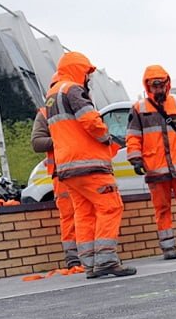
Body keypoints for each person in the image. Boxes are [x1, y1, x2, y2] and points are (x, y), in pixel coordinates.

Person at [40, 52, 135, 278]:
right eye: (87, 74)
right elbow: (90, 121)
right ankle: (106, 261)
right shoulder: (72, 89)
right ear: (79, 70)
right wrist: (106, 137)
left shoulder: (52, 96)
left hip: (66, 168)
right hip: (88, 163)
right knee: (110, 206)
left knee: (84, 213)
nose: (88, 79)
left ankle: (90, 264)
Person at [126, 66, 176, 259]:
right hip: (156, 169)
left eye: (161, 84)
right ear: (148, 86)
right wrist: (135, 159)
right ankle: (168, 249)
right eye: (154, 85)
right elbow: (133, 136)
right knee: (162, 210)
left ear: (167, 84)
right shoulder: (139, 109)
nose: (158, 88)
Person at [30, 79, 82, 272]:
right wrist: (62, 138)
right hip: (62, 174)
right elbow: (37, 142)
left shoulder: (81, 107)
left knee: (86, 213)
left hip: (84, 169)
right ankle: (73, 259)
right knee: (69, 215)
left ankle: (91, 255)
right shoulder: (45, 113)